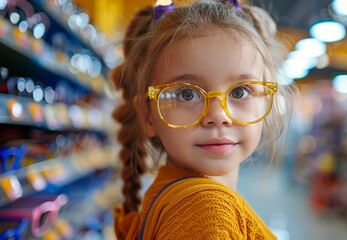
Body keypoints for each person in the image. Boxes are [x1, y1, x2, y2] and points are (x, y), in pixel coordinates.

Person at [111, 0, 296, 238]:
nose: (218, 116)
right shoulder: (206, 213)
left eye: (240, 92)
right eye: (187, 94)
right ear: (147, 114)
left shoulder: (173, 196)